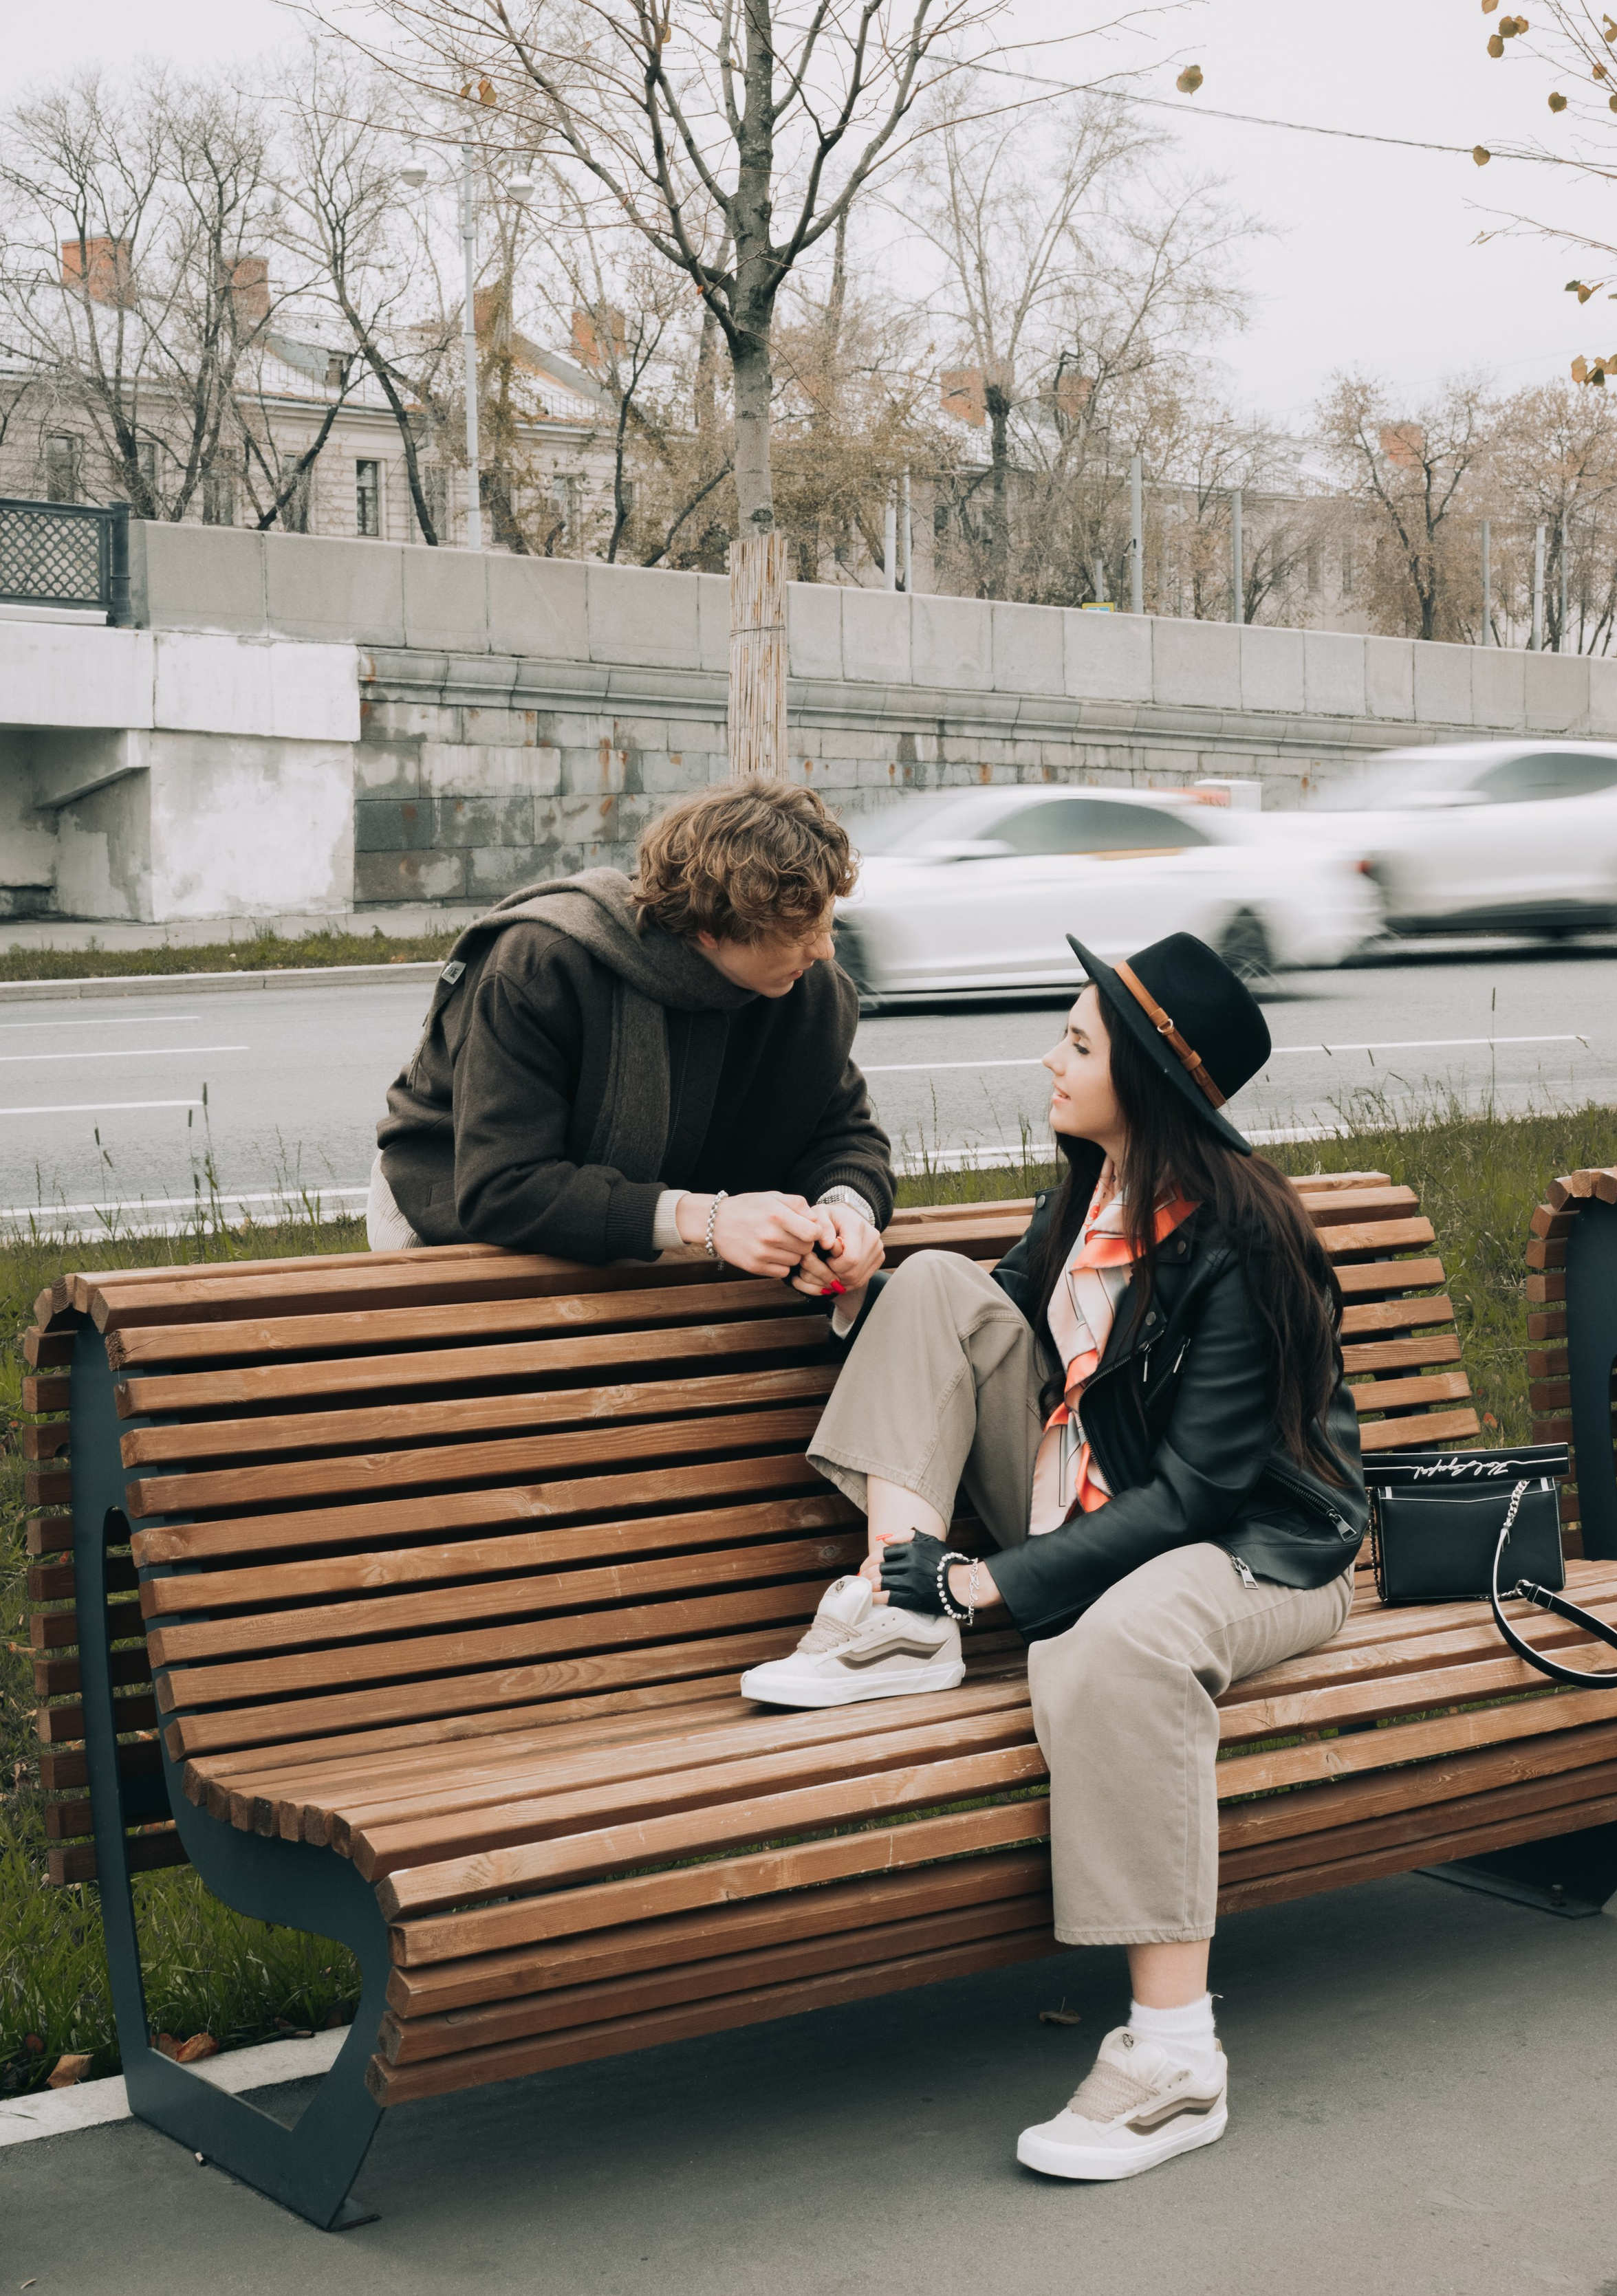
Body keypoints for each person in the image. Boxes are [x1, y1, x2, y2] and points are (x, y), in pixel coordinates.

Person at [741, 927, 1367, 2184]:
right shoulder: (1092, 1185)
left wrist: (989, 1587)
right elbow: (1004, 1329)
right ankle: (894, 1619)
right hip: (1100, 1517)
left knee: (1113, 1648)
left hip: (1254, 1548)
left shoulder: (1243, 1240)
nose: (1050, 1058)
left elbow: (1199, 1491)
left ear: (1144, 1073)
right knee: (928, 1285)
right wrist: (860, 1279)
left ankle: (1175, 2058)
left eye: (1077, 1042)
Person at [368, 777, 893, 1287]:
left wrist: (844, 1211)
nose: (824, 949)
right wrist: (703, 1218)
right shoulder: (542, 964)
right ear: (709, 928)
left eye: (825, 921)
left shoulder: (807, 990)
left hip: (669, 1217)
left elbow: (844, 1137)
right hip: (450, 1207)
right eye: (801, 932)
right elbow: (501, 1188)